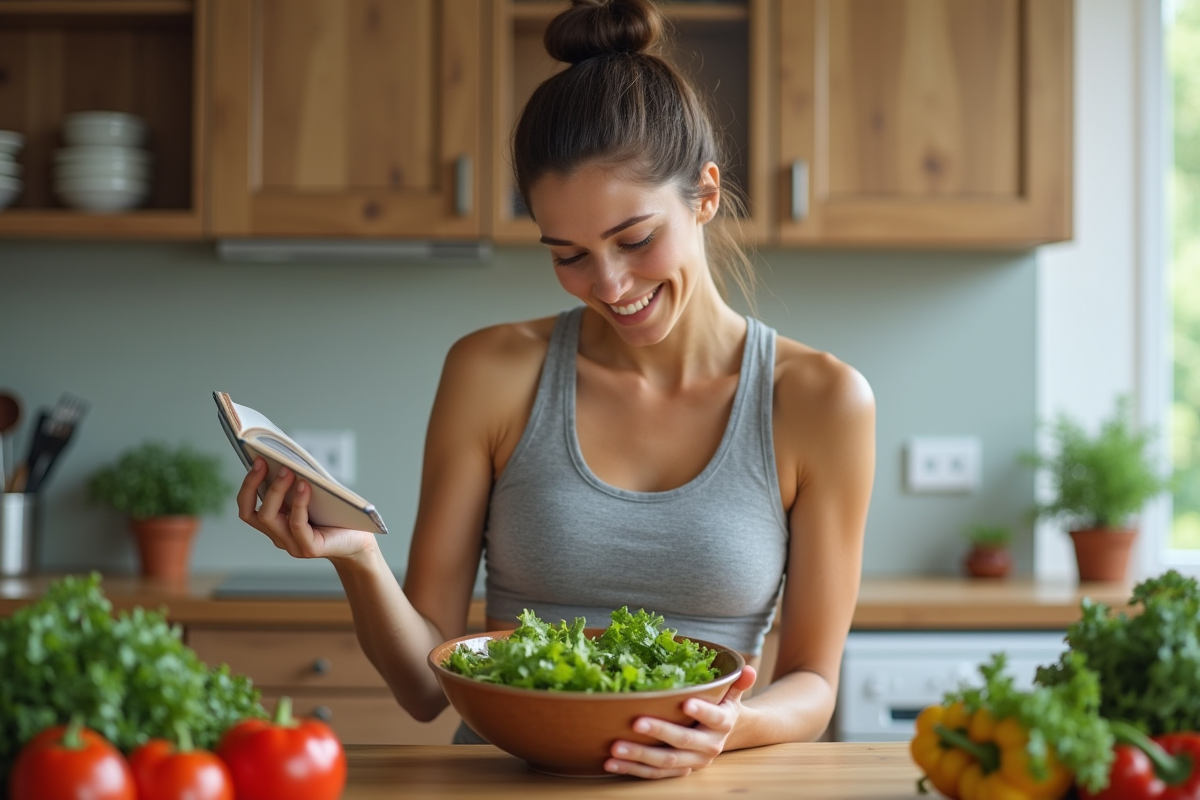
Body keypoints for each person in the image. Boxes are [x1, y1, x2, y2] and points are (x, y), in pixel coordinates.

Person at [236, 0, 875, 780]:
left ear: (705, 195)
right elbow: (420, 689)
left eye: (634, 240)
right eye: (567, 253)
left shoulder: (820, 401)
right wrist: (359, 560)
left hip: (700, 780)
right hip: (508, 784)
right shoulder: (491, 372)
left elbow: (813, 682)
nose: (608, 284)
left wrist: (726, 726)